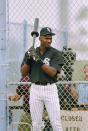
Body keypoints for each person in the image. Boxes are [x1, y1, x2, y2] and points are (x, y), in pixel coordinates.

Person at [21, 27, 64, 131]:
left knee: (56, 123)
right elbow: (23, 73)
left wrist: (38, 60)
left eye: (50, 38)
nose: (49, 40)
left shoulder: (56, 53)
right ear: (40, 39)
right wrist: (28, 59)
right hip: (35, 89)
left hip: (50, 89)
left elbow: (52, 72)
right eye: (46, 38)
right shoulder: (31, 52)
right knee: (36, 124)